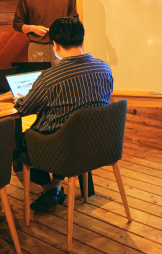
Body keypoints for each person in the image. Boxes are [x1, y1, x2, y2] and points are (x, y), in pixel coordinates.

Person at [13, 16, 113, 213]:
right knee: (67, 127)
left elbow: (24, 109)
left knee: (20, 144)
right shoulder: (104, 68)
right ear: (82, 40)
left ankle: (49, 190)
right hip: (97, 143)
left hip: (60, 148)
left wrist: (19, 100)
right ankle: (55, 187)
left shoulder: (50, 77)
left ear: (55, 45)